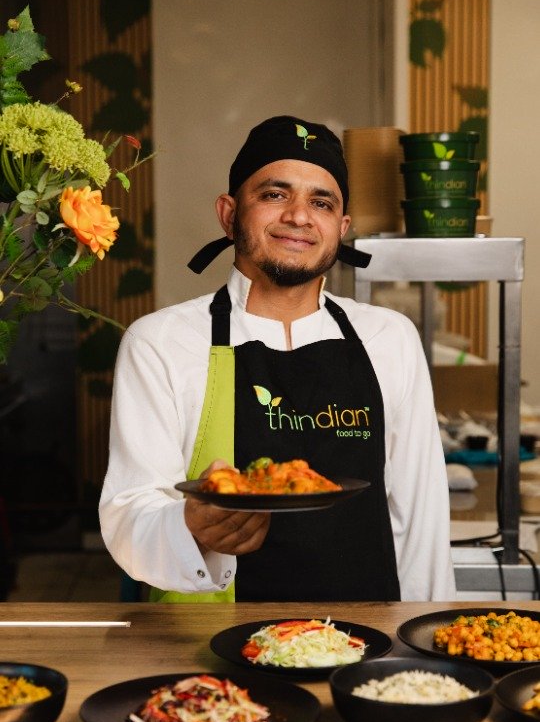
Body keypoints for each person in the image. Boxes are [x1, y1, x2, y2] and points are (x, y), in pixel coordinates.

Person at [99, 115, 456, 602]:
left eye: (321, 202)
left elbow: (422, 519)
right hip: (211, 653)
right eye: (274, 194)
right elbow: (128, 510)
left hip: (366, 651)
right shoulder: (159, 342)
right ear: (228, 214)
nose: (299, 216)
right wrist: (189, 528)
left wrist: (421, 652)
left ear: (342, 227)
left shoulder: (389, 337)